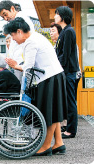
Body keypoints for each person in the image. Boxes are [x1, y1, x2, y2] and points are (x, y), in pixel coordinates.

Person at [4, 17, 67, 156]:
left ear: (19, 31)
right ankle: (58, 143)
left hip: (48, 78)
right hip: (55, 75)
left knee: (49, 113)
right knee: (54, 111)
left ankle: (46, 146)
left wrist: (15, 66)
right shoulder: (37, 36)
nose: (13, 39)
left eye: (13, 35)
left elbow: (28, 67)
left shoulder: (30, 42)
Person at [54, 6, 80, 139]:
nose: (55, 16)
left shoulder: (69, 31)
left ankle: (71, 130)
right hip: (66, 71)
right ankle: (69, 126)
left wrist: (58, 67)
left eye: (57, 14)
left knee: (70, 101)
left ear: (63, 16)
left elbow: (65, 55)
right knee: (68, 100)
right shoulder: (65, 31)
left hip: (69, 71)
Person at [0, 0, 35, 82]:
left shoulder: (21, 19)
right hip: (18, 63)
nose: (5, 18)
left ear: (12, 8)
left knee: (23, 90)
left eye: (5, 14)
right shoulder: (15, 21)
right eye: (3, 17)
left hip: (21, 63)